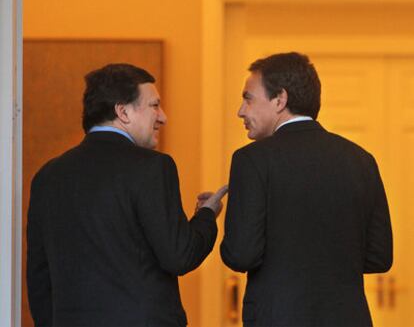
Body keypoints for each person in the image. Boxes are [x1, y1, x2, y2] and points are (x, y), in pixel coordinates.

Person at [27, 63, 227, 327]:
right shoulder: (153, 167)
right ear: (122, 111)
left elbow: (39, 279)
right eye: (154, 105)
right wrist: (206, 215)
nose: (163, 117)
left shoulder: (47, 176)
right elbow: (179, 256)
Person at [220, 52, 392, 327]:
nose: (241, 110)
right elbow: (380, 257)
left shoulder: (251, 160)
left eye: (248, 98)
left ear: (280, 100)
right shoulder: (361, 160)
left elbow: (241, 254)